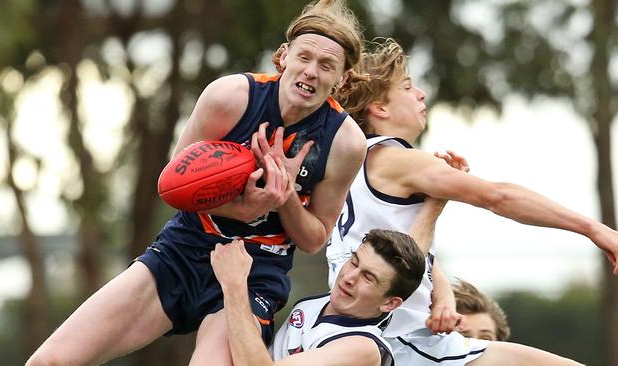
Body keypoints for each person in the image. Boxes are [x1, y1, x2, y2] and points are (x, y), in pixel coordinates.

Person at [27, 1, 368, 365]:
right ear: (283, 56)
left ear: (342, 79)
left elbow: (315, 237)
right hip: (186, 248)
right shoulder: (231, 98)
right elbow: (172, 187)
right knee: (50, 360)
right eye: (304, 57)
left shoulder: (345, 143)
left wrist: (283, 195)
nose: (312, 72)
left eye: (327, 65)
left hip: (255, 270)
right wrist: (243, 207)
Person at [326, 37, 618, 365]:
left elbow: (409, 253)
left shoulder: (352, 163)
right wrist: (590, 227)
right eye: (407, 87)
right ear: (380, 107)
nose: (421, 94)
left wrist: (441, 295)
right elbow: (497, 196)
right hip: (394, 340)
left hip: (362, 332)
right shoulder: (398, 160)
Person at [211, 227, 432, 366]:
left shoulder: (362, 349)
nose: (349, 277)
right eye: (354, 262)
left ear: (390, 303)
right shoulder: (317, 304)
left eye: (368, 277)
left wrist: (234, 284)